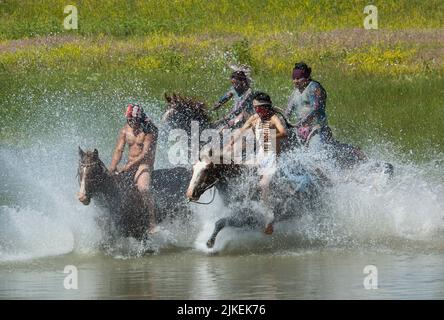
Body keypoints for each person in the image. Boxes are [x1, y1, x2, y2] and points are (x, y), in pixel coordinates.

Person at [224, 92, 287, 235]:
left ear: (265, 107)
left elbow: (283, 133)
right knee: (237, 167)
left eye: (257, 108)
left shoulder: (273, 118)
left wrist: (272, 135)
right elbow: (240, 132)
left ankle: (268, 219)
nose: (255, 110)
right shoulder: (254, 119)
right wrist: (229, 144)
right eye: (254, 108)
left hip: (272, 159)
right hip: (259, 157)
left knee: (263, 184)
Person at [109, 104, 159, 235]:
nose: (131, 122)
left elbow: (145, 154)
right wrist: (112, 167)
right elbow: (118, 150)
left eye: (133, 120)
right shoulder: (125, 130)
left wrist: (128, 166)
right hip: (129, 164)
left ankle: (152, 222)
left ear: (140, 119)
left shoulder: (148, 131)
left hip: (144, 165)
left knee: (143, 188)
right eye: (129, 119)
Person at [285, 62, 329, 147]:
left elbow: (315, 108)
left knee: (315, 153)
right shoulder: (295, 92)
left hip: (316, 128)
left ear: (307, 77)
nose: (296, 81)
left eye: (298, 78)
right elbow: (287, 112)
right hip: (300, 129)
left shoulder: (314, 87)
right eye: (294, 78)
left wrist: (302, 121)